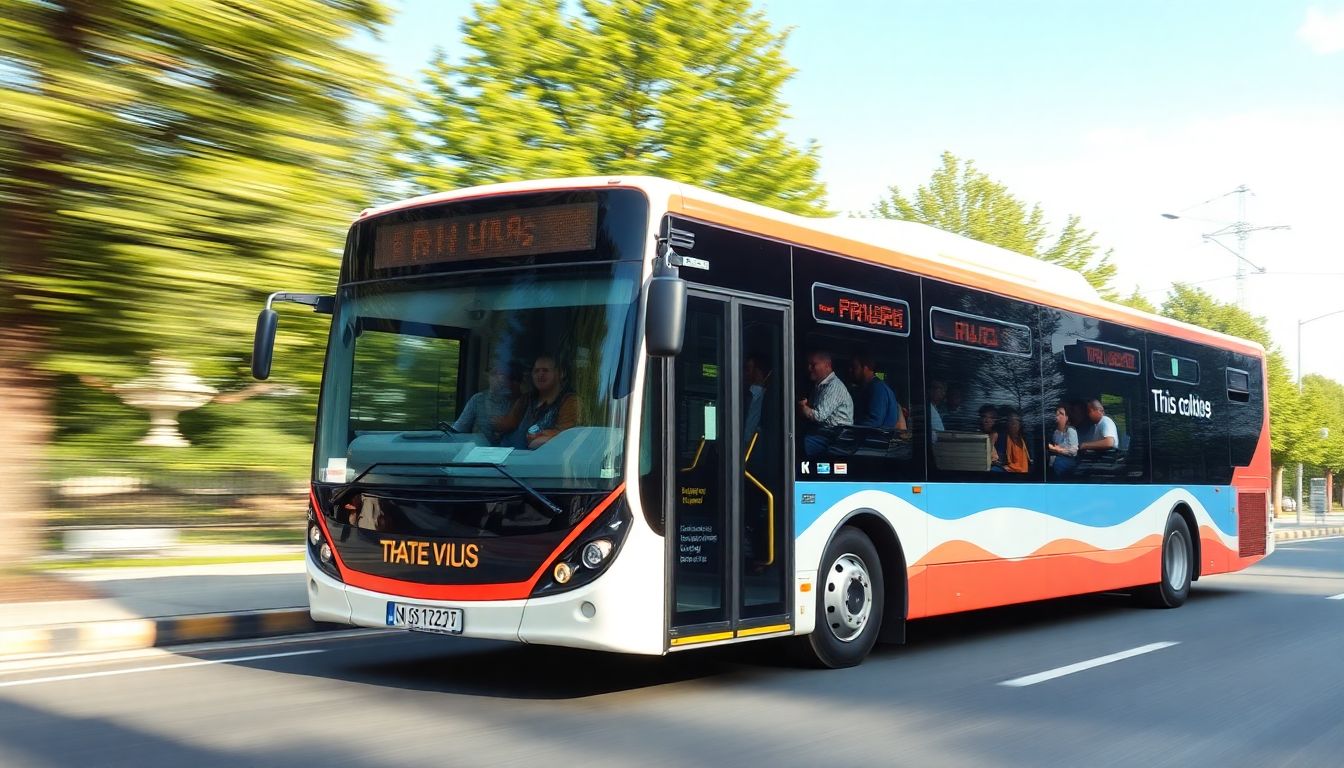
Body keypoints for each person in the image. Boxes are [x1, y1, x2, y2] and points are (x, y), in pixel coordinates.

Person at [496, 354, 579, 449]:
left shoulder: (570, 402)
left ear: (561, 373)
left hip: (544, 462)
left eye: (545, 370)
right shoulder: (526, 399)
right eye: (536, 371)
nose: (540, 374)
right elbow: (507, 424)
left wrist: (542, 436)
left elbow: (566, 436)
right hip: (512, 460)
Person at [798, 350, 853, 458]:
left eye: (813, 365)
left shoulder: (833, 386)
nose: (809, 368)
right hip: (823, 433)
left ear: (827, 365)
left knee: (798, 444)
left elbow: (819, 416)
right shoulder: (819, 386)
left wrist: (803, 407)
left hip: (835, 437)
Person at [451, 361, 520, 444]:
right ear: (488, 376)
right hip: (479, 452)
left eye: (502, 374)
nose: (499, 378)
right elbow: (459, 429)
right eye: (494, 373)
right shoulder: (477, 399)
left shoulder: (519, 401)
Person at [850, 352, 906, 431]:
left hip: (876, 441)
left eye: (854, 367)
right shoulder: (870, 388)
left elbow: (874, 422)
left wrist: (850, 425)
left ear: (865, 368)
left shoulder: (877, 389)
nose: (850, 370)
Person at [743, 351, 772, 452]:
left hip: (756, 449)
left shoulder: (771, 398)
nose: (745, 373)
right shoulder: (743, 394)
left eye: (748, 369)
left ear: (758, 371)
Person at [990, 409, 1030, 473]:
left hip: (1025, 474)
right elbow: (993, 459)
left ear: (1020, 424)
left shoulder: (1025, 439)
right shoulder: (1000, 437)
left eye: (1016, 421)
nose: (1013, 424)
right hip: (1006, 473)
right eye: (1011, 421)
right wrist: (1001, 466)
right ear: (1007, 424)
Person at [1047, 403, 1079, 476]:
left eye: (1061, 413)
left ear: (1066, 417)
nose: (1058, 416)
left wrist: (1057, 449)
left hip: (1067, 464)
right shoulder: (1055, 432)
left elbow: (1073, 451)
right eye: (1057, 413)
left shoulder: (1071, 430)